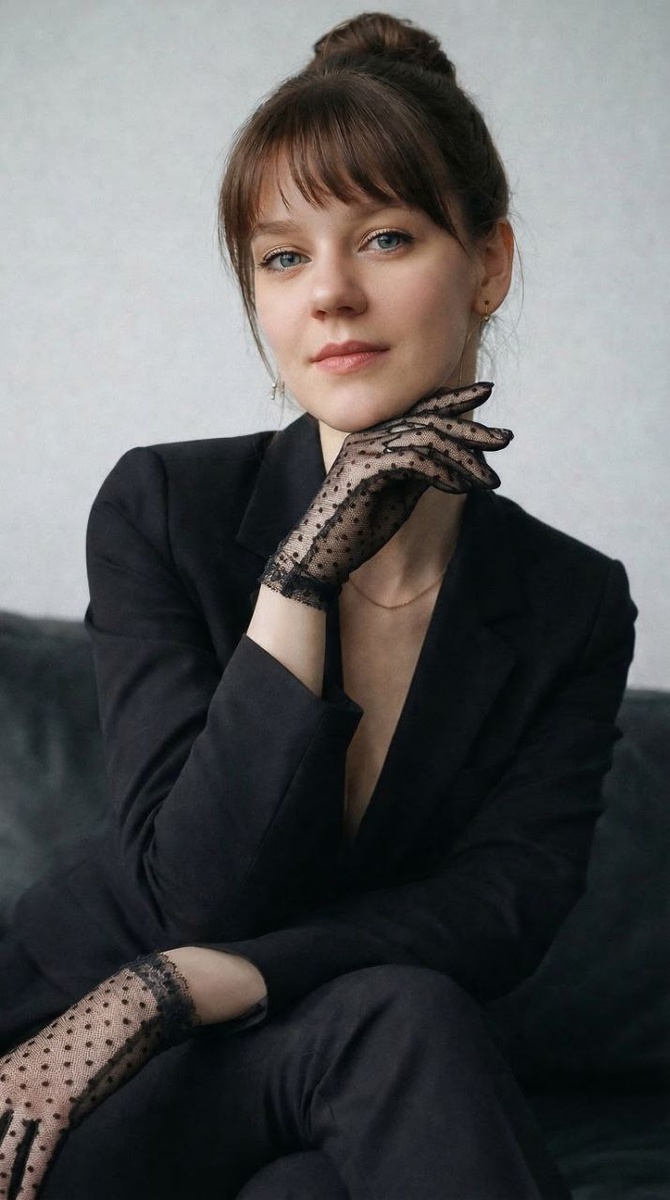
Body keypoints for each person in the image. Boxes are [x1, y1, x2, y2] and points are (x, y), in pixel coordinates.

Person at [0, 11, 636, 1199]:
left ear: (488, 263)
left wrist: (201, 982)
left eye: (386, 238)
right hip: (68, 1071)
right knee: (395, 1019)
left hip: (285, 1050)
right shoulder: (162, 507)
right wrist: (300, 577)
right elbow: (195, 895)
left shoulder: (569, 601)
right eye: (283, 257)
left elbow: (498, 911)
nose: (332, 294)